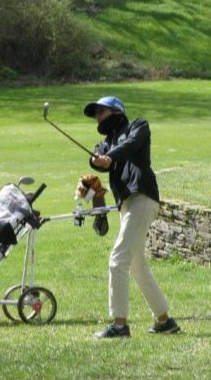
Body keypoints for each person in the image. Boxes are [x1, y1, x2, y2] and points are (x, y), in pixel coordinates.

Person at [84, 96, 180, 339]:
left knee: (118, 260)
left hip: (142, 197)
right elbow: (98, 157)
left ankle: (119, 325)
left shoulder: (138, 126)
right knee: (136, 265)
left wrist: (111, 157)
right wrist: (96, 160)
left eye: (101, 112)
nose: (98, 117)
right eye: (95, 114)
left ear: (116, 111)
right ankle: (165, 321)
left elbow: (131, 144)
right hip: (127, 204)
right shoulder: (104, 143)